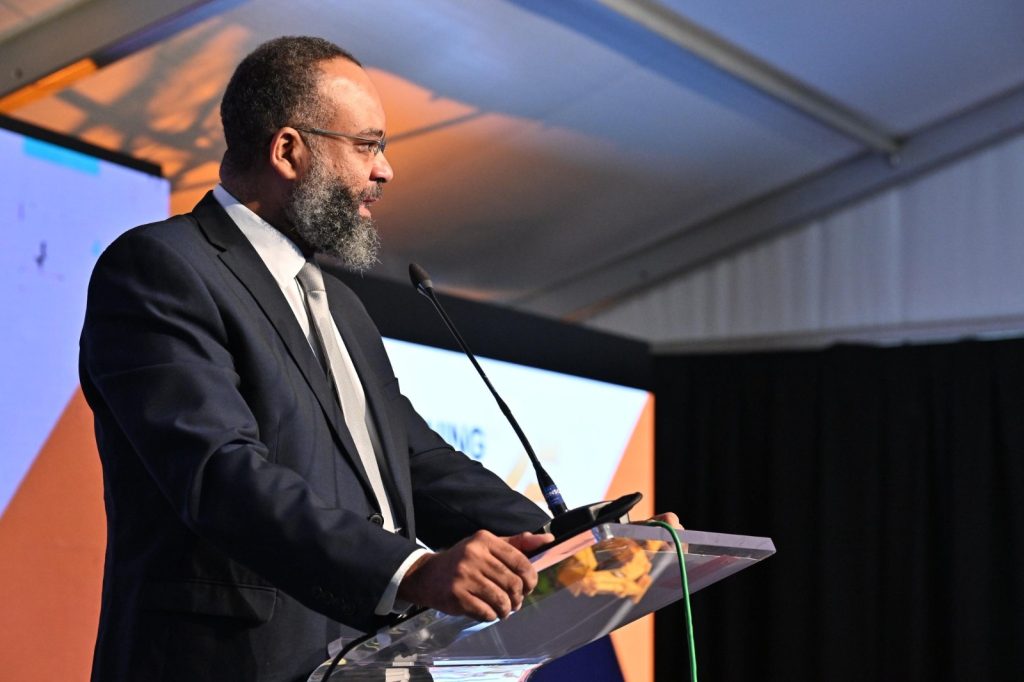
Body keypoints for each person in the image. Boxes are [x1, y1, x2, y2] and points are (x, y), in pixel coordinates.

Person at [79, 36, 554, 682]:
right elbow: (220, 476)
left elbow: (417, 465)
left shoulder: (343, 308)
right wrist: (413, 570)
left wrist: (580, 543)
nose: (385, 170)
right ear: (288, 151)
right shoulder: (162, 270)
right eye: (367, 145)